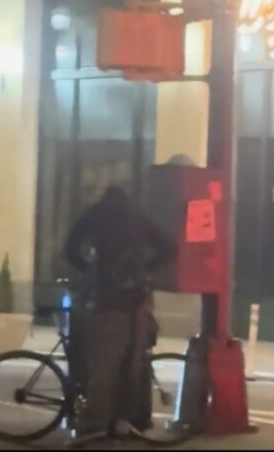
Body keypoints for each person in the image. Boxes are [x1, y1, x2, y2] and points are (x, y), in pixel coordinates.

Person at [64, 185, 177, 442]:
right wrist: (146, 266)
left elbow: (71, 248)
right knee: (132, 362)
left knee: (104, 363)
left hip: (107, 300)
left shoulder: (95, 216)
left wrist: (89, 269)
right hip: (137, 301)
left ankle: (94, 424)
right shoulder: (136, 218)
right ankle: (127, 421)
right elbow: (171, 248)